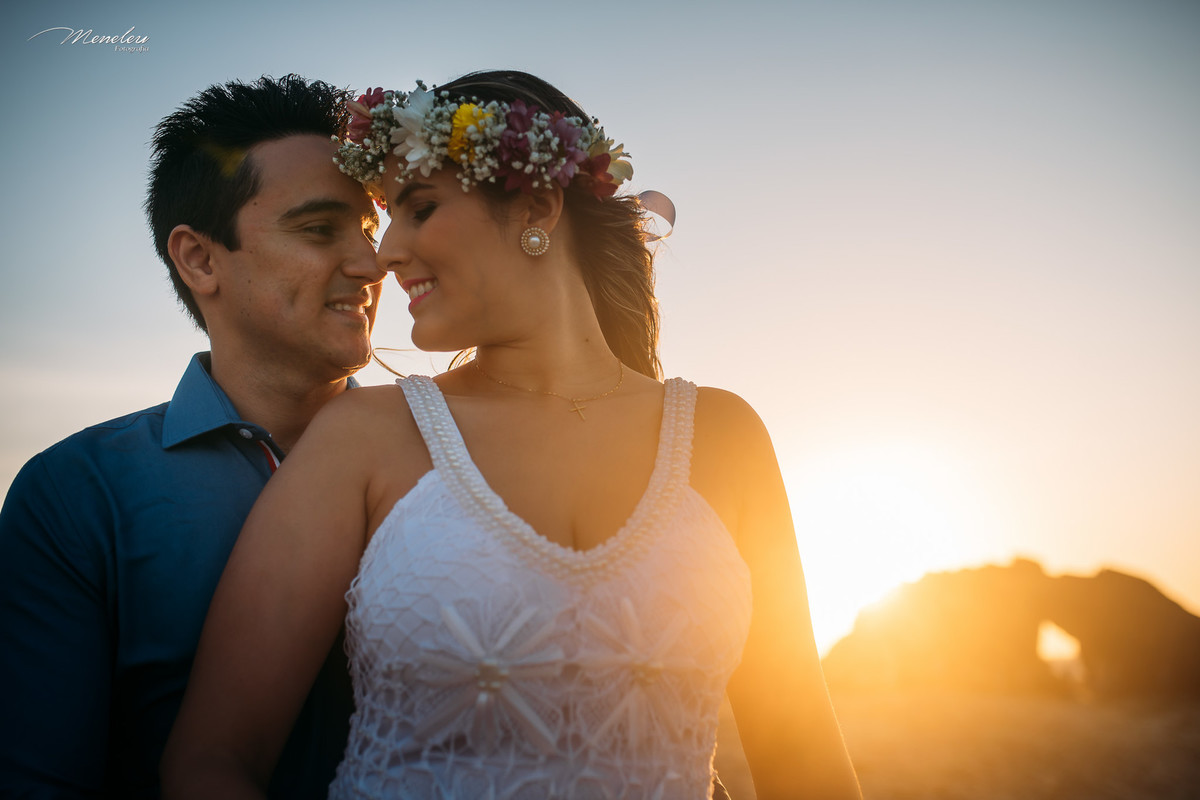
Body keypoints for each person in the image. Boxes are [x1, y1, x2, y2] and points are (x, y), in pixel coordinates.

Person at [163, 70, 862, 799]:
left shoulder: (726, 437)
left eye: (421, 208)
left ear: (537, 202)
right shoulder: (364, 439)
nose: (385, 254)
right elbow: (211, 760)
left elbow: (804, 760)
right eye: (388, 219)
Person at [0, 75, 385, 799]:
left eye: (368, 230)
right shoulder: (79, 493)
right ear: (199, 259)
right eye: (318, 229)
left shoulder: (447, 459)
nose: (372, 265)